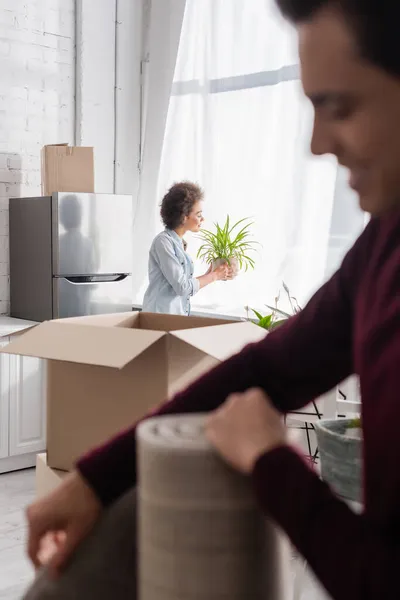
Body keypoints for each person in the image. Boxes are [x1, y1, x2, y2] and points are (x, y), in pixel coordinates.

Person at [23, 0, 400, 599]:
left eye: (341, 106)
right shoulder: (383, 245)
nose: (317, 143)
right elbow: (268, 366)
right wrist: (93, 480)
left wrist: (271, 461)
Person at [142, 181, 231, 315]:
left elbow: (184, 285)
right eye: (199, 214)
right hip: (159, 317)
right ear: (184, 217)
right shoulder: (163, 242)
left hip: (173, 317)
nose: (203, 219)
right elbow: (183, 288)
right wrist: (215, 275)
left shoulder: (178, 243)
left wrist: (211, 274)